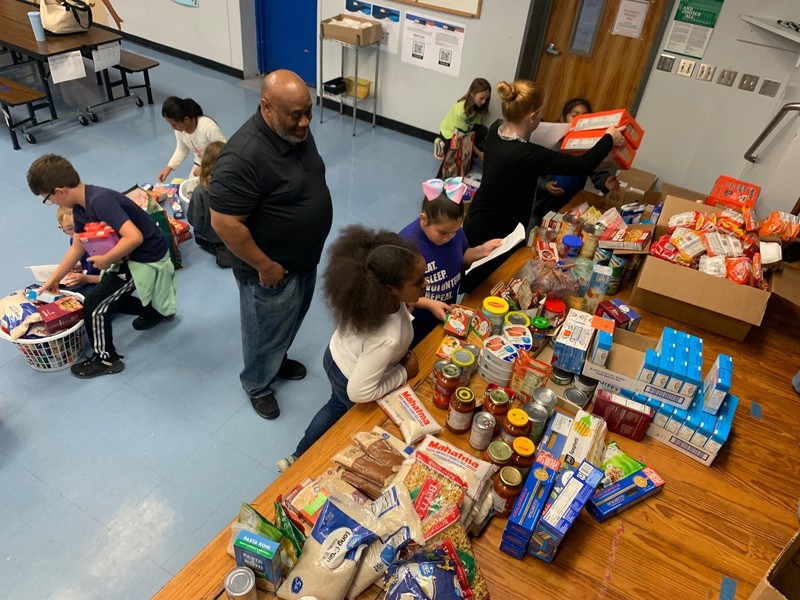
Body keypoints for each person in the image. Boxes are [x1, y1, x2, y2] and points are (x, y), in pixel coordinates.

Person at [209, 70, 333, 420]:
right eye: (296, 114)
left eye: (308, 110)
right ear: (266, 107)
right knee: (264, 332)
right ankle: (257, 383)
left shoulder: (296, 133)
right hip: (270, 271)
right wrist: (266, 266)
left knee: (289, 321)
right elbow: (224, 223)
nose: (306, 121)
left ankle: (276, 362)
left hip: (303, 260)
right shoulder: (242, 158)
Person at [277, 226, 424, 472]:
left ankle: (296, 455)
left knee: (333, 405)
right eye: (418, 281)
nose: (425, 283)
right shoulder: (386, 338)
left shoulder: (374, 297)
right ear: (390, 289)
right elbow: (358, 392)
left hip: (336, 356)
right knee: (349, 418)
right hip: (350, 377)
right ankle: (307, 465)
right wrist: (403, 373)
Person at [461, 80, 625, 292]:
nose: (541, 117)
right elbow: (581, 164)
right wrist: (609, 138)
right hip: (498, 228)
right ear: (532, 116)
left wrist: (572, 131)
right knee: (483, 282)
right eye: (540, 113)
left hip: (480, 216)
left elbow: (541, 133)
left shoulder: (497, 129)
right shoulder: (526, 155)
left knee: (475, 275)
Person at [28, 154, 177, 379]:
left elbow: (134, 237)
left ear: (60, 191)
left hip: (145, 258)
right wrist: (55, 278)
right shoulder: (80, 207)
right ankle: (154, 311)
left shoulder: (100, 201)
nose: (53, 204)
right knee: (107, 293)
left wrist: (107, 260)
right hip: (127, 256)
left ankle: (106, 358)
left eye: (49, 199)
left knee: (95, 304)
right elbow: (77, 246)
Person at [399, 177, 502, 347]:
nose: (449, 238)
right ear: (423, 219)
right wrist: (429, 304)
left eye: (454, 232)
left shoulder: (454, 234)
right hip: (415, 321)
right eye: (442, 233)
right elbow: (397, 293)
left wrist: (481, 251)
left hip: (445, 312)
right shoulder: (407, 245)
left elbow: (461, 260)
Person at [531, 97, 621, 226]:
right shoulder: (552, 143)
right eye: (575, 115)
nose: (580, 120)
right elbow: (532, 171)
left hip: (569, 206)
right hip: (540, 205)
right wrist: (544, 185)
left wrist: (605, 182)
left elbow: (596, 171)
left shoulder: (589, 146)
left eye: (585, 117)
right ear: (563, 119)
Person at [157, 97, 226, 183]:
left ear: (186, 120)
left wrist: (206, 168)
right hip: (200, 163)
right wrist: (169, 167)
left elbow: (223, 150)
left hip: (217, 164)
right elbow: (181, 150)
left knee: (208, 188)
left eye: (174, 124)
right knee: (190, 188)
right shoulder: (180, 130)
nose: (173, 128)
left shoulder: (208, 127)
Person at [186, 141, 232, 268]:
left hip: (212, 236)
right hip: (237, 230)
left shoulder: (200, 191)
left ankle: (219, 246)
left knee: (197, 232)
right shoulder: (238, 182)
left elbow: (194, 220)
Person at [437, 77, 492, 161]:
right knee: (454, 160)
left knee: (483, 130)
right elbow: (462, 137)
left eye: (486, 99)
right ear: (472, 94)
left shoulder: (478, 106)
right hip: (450, 133)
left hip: (465, 130)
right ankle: (441, 143)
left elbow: (472, 128)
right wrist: (479, 153)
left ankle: (466, 151)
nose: (484, 102)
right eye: (481, 98)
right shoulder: (460, 111)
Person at [56, 206, 100, 296]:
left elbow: (113, 278)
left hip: (100, 282)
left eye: (80, 226)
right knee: (57, 289)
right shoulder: (74, 241)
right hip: (87, 278)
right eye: (70, 229)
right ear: (61, 228)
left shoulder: (100, 244)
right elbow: (88, 261)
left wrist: (86, 279)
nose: (77, 232)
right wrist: (80, 266)